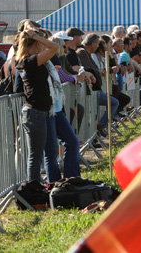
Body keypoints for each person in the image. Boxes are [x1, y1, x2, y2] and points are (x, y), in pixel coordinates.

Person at [15, 26, 59, 182]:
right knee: (35, 155)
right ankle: (34, 188)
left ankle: (35, 187)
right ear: (34, 44)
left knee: (36, 154)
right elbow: (54, 47)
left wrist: (36, 35)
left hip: (34, 112)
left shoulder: (24, 60)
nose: (43, 45)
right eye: (40, 43)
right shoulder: (30, 61)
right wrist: (35, 35)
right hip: (36, 112)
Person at [44, 36, 89, 182]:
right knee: (51, 152)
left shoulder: (56, 59)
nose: (65, 48)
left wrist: (77, 77)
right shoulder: (51, 59)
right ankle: (56, 184)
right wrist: (76, 78)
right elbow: (62, 77)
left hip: (56, 107)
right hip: (48, 109)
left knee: (71, 142)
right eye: (63, 45)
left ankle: (71, 179)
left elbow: (62, 75)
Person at [77, 33, 119, 136]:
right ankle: (99, 127)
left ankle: (98, 129)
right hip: (90, 91)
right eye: (97, 44)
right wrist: (99, 71)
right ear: (92, 44)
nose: (98, 46)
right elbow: (92, 68)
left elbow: (95, 68)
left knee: (112, 103)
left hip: (94, 90)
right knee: (113, 103)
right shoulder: (82, 52)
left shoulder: (87, 53)